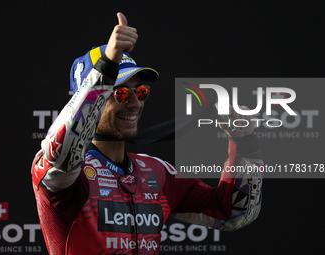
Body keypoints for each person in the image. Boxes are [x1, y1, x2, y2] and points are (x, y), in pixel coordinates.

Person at [31, 12, 263, 255]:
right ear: (91, 98)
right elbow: (61, 151)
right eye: (120, 93)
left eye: (140, 92)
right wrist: (107, 66)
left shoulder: (157, 173)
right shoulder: (66, 174)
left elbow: (234, 215)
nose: (134, 104)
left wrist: (244, 142)